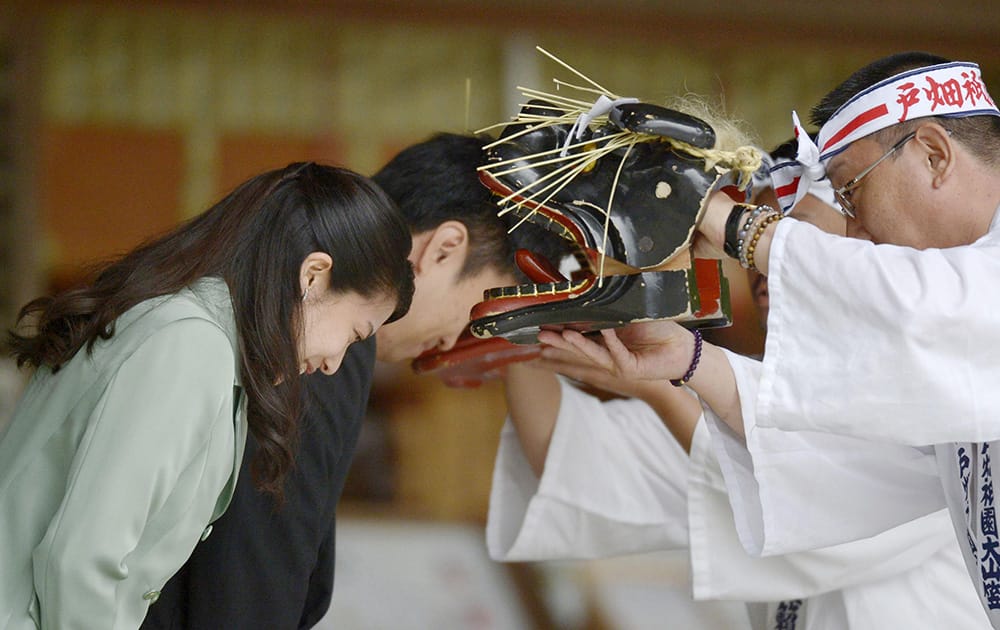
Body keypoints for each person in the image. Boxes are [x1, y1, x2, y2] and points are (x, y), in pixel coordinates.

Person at [535, 52, 1000, 624]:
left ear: (934, 154)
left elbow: (916, 308)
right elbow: (847, 478)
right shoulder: (953, 354)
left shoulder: (951, 308)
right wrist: (689, 359)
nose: (855, 231)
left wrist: (721, 219)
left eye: (850, 193)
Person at [139, 133, 571, 629]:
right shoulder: (323, 336)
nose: (456, 342)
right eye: (480, 308)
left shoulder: (260, 264)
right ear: (445, 249)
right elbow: (252, 578)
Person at [0, 162, 415, 630]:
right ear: (314, 275)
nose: (335, 363)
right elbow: (79, 558)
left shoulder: (199, 336)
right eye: (356, 333)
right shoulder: (189, 344)